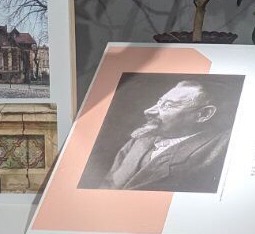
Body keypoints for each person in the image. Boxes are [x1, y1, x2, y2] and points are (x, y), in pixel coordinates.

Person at [92, 78, 231, 193]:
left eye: (168, 105)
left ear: (203, 114)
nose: (148, 111)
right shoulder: (140, 140)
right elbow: (107, 185)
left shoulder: (222, 150)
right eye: (159, 102)